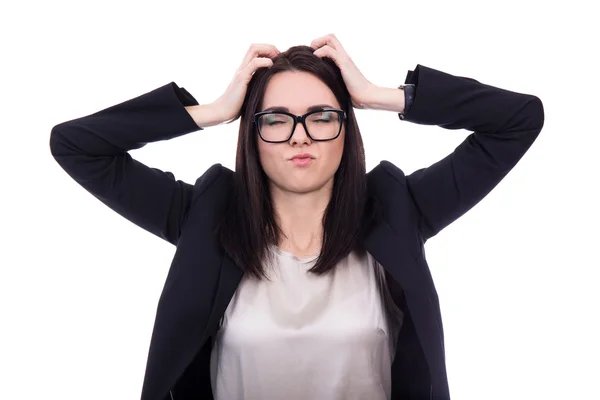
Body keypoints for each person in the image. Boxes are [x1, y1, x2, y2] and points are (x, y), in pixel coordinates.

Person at [49, 34, 545, 400]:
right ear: (252, 133)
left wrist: (379, 95)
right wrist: (215, 110)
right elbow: (76, 145)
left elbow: (517, 120)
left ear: (347, 129)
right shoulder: (206, 214)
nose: (299, 135)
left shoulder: (396, 208)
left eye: (323, 116)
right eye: (276, 119)